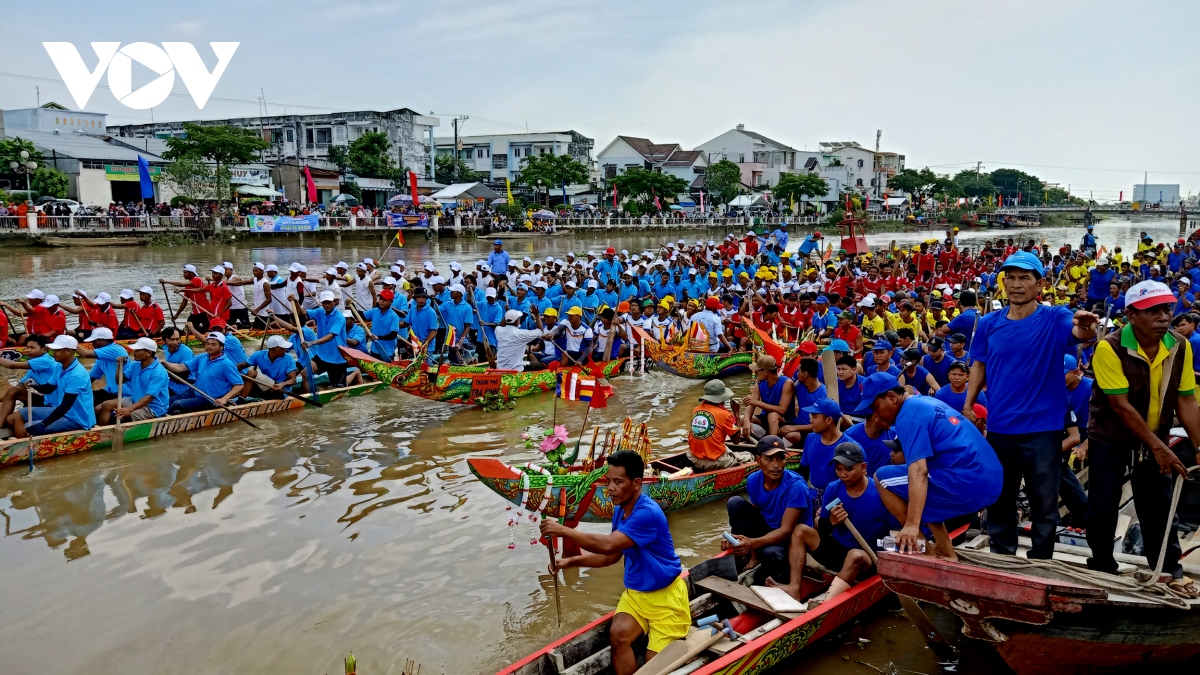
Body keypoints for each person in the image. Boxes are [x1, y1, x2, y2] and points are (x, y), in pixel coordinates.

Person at [965, 250, 1097, 560]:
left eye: (1024, 277)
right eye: (1010, 277)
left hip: (1043, 429)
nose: (1016, 284)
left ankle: (1041, 556)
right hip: (1000, 427)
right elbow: (978, 366)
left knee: (1043, 498)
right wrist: (968, 404)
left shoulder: (1054, 317)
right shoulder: (989, 324)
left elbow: (1080, 332)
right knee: (1000, 495)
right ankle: (1002, 553)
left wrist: (1088, 326)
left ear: (1040, 283)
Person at [1086, 280, 1200, 596]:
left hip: (1156, 437)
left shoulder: (1180, 346)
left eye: (1167, 309)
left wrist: (1199, 445)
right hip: (1111, 438)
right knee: (1104, 503)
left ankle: (1167, 570)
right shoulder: (1109, 347)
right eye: (1153, 311)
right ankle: (1102, 565)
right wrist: (1158, 447)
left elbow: (1187, 400)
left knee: (1159, 505)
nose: (1164, 317)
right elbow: (1120, 407)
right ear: (1132, 316)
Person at [540, 451, 687, 675]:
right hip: (636, 595)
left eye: (618, 482)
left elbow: (609, 545)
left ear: (637, 483)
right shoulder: (620, 510)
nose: (610, 488)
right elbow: (611, 556)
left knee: (655, 668)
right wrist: (570, 562)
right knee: (618, 636)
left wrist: (563, 530)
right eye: (608, 481)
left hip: (666, 598)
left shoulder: (647, 513)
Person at [857, 372, 1003, 560]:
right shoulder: (923, 402)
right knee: (917, 487)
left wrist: (911, 524)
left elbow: (919, 471)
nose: (875, 416)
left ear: (892, 397)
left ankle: (923, 550)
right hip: (990, 481)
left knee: (883, 478)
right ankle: (944, 549)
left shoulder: (907, 416)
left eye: (875, 408)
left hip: (969, 480)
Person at [771, 443, 898, 602]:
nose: (843, 475)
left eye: (849, 469)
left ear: (863, 467)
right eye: (839, 469)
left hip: (868, 557)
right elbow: (823, 527)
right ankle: (794, 587)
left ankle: (826, 602)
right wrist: (831, 521)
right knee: (800, 530)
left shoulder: (880, 493)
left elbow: (896, 531)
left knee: (855, 555)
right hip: (839, 552)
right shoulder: (833, 489)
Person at [722, 435, 812, 587]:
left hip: (792, 539)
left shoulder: (796, 487)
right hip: (770, 528)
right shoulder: (753, 480)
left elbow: (786, 530)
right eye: (769, 459)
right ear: (758, 460)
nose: (776, 465)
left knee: (770, 553)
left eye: (780, 458)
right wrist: (736, 538)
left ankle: (777, 575)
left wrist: (753, 542)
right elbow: (757, 511)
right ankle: (753, 556)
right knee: (735, 503)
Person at [6, 335, 95, 438]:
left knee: (27, 426)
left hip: (78, 419)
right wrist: (34, 385)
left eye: (57, 350)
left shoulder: (77, 374)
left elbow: (66, 405)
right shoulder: (59, 366)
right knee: (17, 416)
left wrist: (43, 424)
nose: (53, 353)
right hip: (64, 411)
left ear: (68, 351)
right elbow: (48, 389)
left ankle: (23, 448)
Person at [161, 332, 245, 414]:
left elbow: (239, 384)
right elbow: (180, 367)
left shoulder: (227, 364)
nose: (209, 346)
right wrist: (163, 362)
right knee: (167, 401)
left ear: (222, 347)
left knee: (177, 404)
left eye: (213, 344)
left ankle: (164, 420)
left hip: (210, 398)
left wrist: (224, 399)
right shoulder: (202, 357)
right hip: (194, 391)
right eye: (207, 344)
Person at [97, 337, 170, 425]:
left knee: (117, 415)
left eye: (137, 350)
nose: (134, 353)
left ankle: (105, 433)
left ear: (149, 353)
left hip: (153, 408)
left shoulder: (158, 372)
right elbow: (119, 381)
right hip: (135, 400)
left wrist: (129, 409)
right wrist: (120, 366)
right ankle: (101, 433)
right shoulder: (135, 365)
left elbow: (149, 398)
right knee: (106, 405)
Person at [799, 398, 858, 500]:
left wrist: (828, 506)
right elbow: (803, 471)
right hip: (812, 497)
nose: (810, 420)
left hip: (838, 501)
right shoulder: (810, 438)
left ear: (829, 420)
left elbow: (855, 487)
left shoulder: (851, 447)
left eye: (815, 416)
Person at [686, 379, 746, 470]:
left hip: (693, 457)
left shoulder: (696, 409)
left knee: (725, 447)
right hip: (714, 462)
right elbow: (736, 441)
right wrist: (736, 413)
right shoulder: (725, 415)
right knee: (749, 456)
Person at [740, 355, 795, 439]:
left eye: (758, 370)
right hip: (766, 418)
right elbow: (751, 404)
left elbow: (782, 410)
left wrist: (758, 403)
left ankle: (772, 444)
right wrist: (747, 420)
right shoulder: (759, 383)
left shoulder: (787, 383)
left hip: (783, 420)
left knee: (772, 416)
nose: (756, 372)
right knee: (741, 419)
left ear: (765, 372)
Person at [242, 335, 300, 400]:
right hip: (264, 387)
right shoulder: (258, 355)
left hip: (279, 390)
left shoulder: (289, 358)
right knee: (250, 373)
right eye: (282, 347)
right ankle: (240, 400)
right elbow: (240, 367)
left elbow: (293, 380)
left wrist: (282, 384)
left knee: (253, 372)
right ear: (272, 349)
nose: (285, 349)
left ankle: (240, 401)